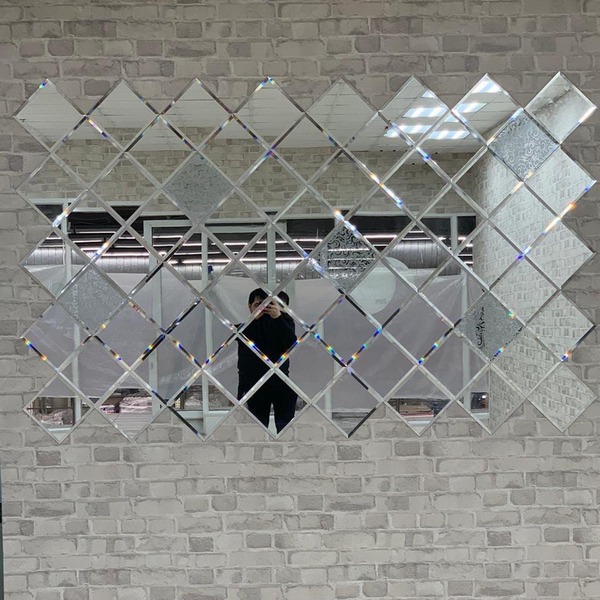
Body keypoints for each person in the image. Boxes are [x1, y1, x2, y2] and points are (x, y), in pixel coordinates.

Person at [237, 288, 298, 432]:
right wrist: (254, 318)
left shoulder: (285, 322)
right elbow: (238, 338)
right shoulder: (246, 326)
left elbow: (291, 344)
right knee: (254, 429)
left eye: (273, 305)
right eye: (259, 304)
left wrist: (278, 318)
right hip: (252, 382)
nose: (265, 309)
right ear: (250, 306)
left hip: (280, 380)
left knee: (285, 427)